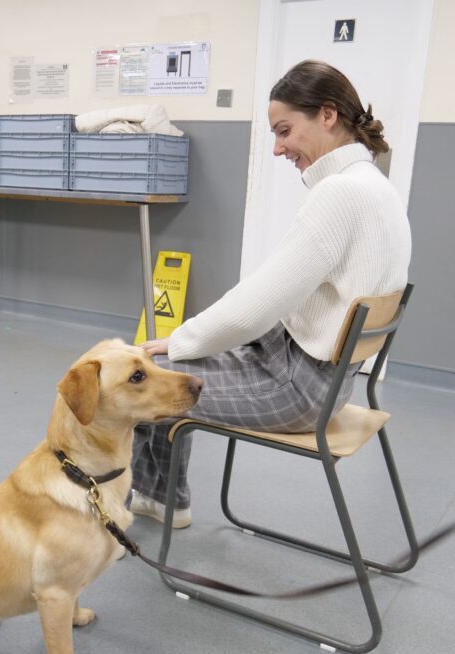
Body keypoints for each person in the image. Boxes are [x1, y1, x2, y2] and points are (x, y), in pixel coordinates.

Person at [129, 60, 411, 528]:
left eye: (284, 131)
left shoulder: (339, 194)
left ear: (327, 115)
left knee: (147, 382)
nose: (279, 148)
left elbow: (255, 308)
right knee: (161, 372)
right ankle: (159, 495)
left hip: (298, 388)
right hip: (330, 381)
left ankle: (161, 498)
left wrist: (179, 340)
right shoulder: (377, 188)